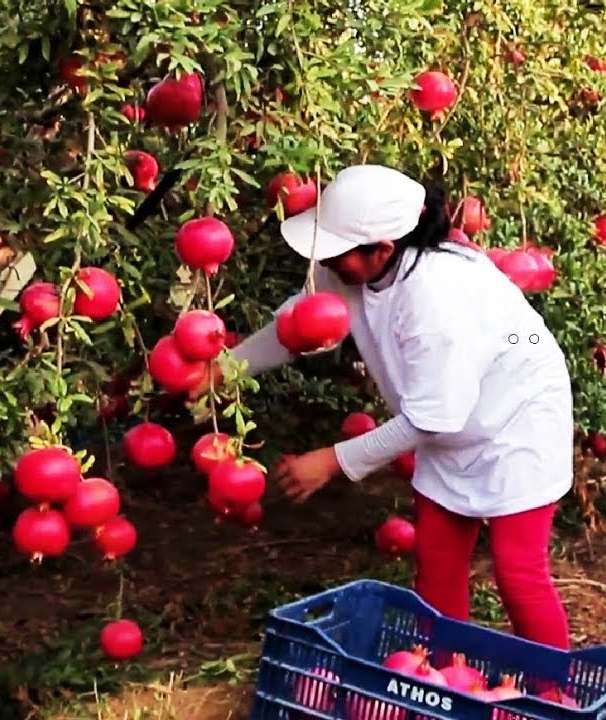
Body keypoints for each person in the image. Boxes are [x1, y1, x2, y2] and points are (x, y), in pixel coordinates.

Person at [217, 164, 574, 650]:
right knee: (437, 564)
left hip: (518, 419)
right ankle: (440, 677)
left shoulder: (435, 295)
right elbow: (298, 325)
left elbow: (433, 418)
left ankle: (552, 687)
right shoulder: (352, 268)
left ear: (382, 249)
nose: (328, 262)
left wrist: (333, 461)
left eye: (337, 252)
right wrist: (225, 369)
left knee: (518, 573)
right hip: (444, 420)